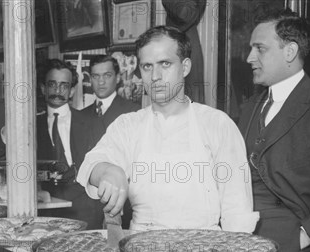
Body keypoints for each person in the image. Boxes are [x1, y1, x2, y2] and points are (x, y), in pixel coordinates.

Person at [77, 26, 259, 233]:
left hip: (204, 249)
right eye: (147, 66)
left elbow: (237, 209)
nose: (155, 76)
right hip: (141, 246)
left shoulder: (217, 124)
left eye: (165, 64)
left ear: (185, 67)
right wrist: (108, 171)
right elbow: (91, 164)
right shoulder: (128, 125)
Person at [238, 9, 310, 252]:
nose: (249, 58)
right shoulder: (250, 106)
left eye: (260, 49)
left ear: (290, 52)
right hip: (241, 248)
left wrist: (302, 239)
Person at [36, 59, 104, 229]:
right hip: (46, 206)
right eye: (52, 85)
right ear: (43, 88)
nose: (58, 91)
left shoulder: (91, 122)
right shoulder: (32, 125)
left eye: (64, 86)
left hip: (84, 206)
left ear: (72, 90)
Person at [82, 54, 142, 228]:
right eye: (95, 76)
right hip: (88, 206)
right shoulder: (81, 115)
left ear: (117, 78)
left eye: (107, 75)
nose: (101, 82)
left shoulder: (133, 114)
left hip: (124, 206)